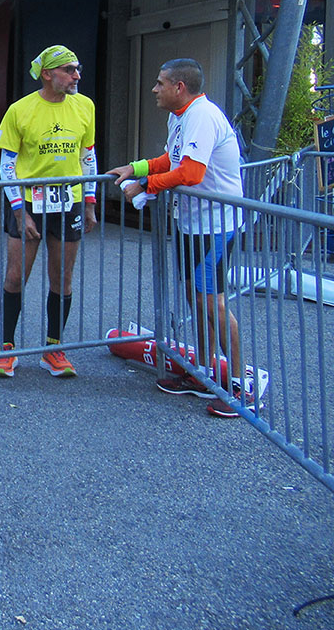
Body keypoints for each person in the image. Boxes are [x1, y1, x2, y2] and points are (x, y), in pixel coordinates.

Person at [107, 58, 249, 418]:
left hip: (216, 225)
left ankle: (237, 387)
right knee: (195, 297)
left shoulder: (201, 116)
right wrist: (135, 168)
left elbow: (191, 172)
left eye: (159, 83)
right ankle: (200, 373)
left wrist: (144, 185)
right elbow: (170, 159)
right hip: (192, 225)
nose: (154, 89)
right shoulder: (179, 116)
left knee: (212, 302)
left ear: (179, 87)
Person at [0, 45, 98, 380]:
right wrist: (20, 211)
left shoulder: (85, 106)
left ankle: (54, 348)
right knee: (15, 275)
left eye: (77, 69)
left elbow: (88, 156)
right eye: (69, 70)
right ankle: (7, 350)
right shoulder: (20, 110)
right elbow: (6, 166)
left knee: (62, 278)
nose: (77, 76)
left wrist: (91, 201)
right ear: (48, 74)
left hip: (70, 201)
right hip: (30, 202)